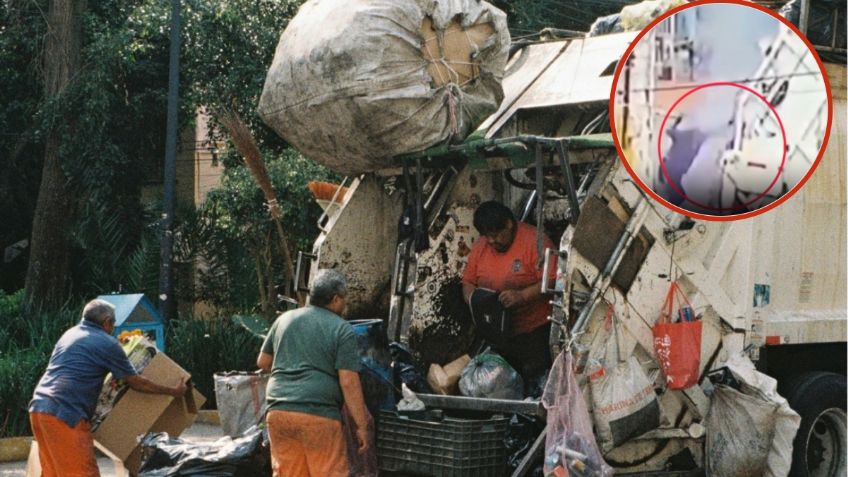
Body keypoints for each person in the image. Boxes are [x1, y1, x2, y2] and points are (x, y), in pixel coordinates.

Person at [29, 299, 187, 477]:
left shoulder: (70, 334)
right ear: (107, 322)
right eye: (113, 324)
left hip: (39, 410)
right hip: (66, 414)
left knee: (54, 473)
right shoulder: (106, 342)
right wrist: (173, 391)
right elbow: (136, 382)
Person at [257, 269, 370, 477]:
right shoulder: (341, 329)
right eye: (344, 299)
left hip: (278, 413)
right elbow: (348, 382)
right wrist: (361, 426)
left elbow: (263, 361)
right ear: (335, 299)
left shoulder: (285, 319)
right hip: (318, 416)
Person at [462, 200, 556, 388]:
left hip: (535, 333)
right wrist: (476, 302)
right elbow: (468, 281)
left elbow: (553, 280)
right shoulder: (482, 246)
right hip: (497, 334)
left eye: (496, 235)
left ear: (509, 224)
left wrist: (522, 296)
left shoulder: (536, 242)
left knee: (536, 383)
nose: (491, 241)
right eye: (486, 236)